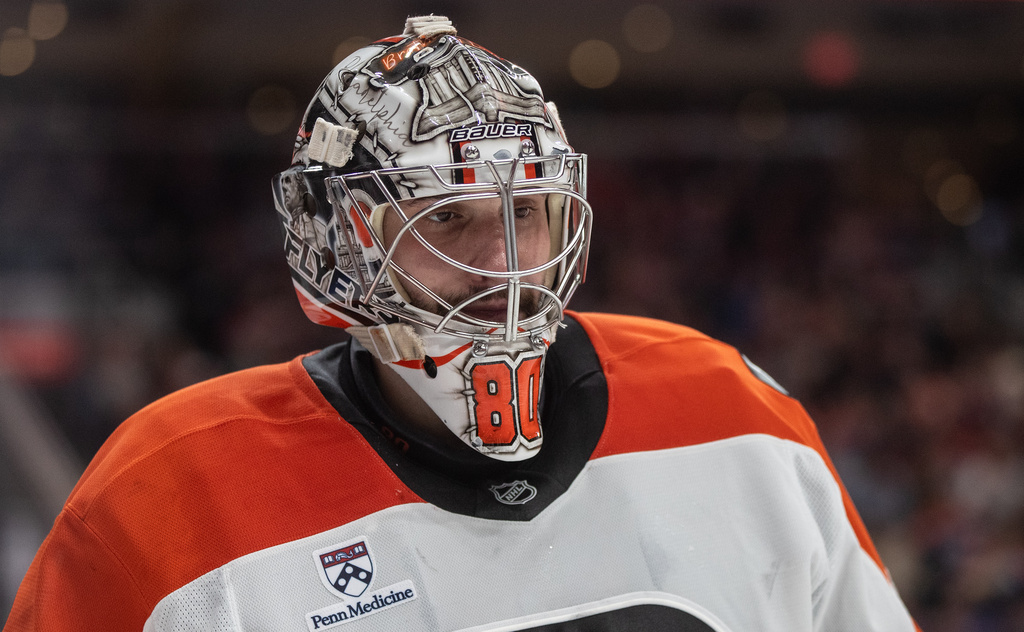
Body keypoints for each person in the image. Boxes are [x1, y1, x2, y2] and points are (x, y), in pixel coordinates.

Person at [5, 16, 918, 631]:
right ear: (344, 244)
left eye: (525, 212)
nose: (503, 265)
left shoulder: (734, 417)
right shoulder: (164, 494)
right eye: (445, 218)